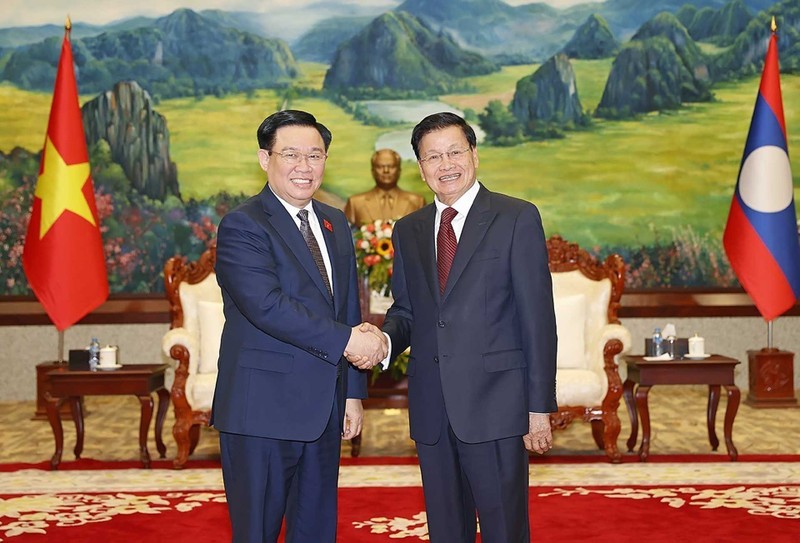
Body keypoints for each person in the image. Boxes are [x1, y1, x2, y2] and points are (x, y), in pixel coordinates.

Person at [375, 112, 557, 542]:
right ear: (420, 167)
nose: (446, 165)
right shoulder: (409, 229)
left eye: (455, 151)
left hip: (496, 404)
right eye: (432, 156)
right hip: (432, 406)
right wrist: (383, 340)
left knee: (503, 529)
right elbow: (408, 311)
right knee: (445, 530)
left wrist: (538, 408)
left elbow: (538, 319)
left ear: (474, 154)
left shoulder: (516, 217)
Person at [211, 109, 387, 543]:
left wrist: (352, 393)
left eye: (315, 155)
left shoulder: (334, 222)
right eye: (291, 154)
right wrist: (350, 340)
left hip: (324, 409)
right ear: (264, 158)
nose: (304, 167)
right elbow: (268, 306)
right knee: (258, 531)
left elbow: (347, 305)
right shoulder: (243, 224)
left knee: (315, 530)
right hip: (262, 412)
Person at [344, 148, 425, 226]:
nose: (386, 170)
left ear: (399, 170)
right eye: (380, 167)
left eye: (391, 166)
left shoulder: (417, 202)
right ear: (373, 171)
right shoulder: (355, 203)